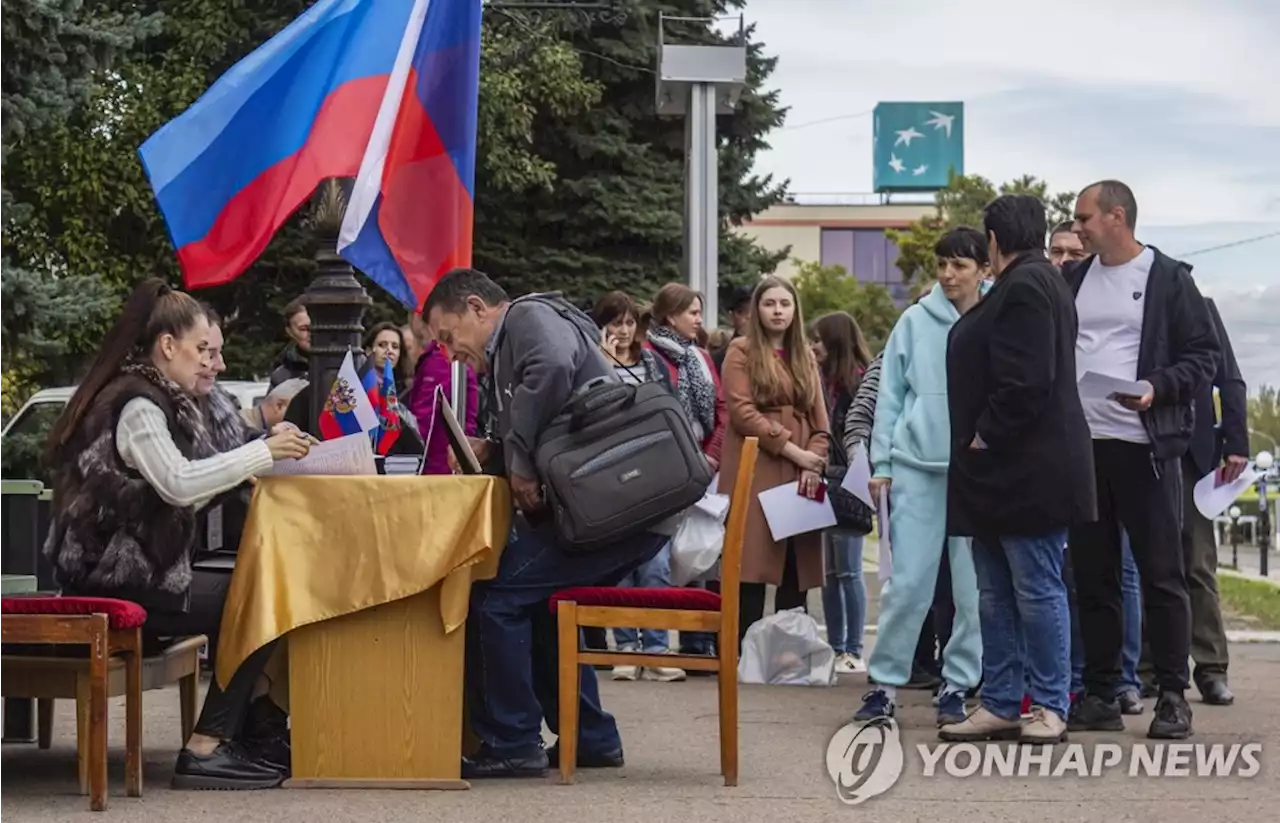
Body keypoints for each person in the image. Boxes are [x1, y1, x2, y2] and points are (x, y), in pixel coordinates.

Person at [42, 279, 314, 789]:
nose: (214, 361)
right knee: (254, 594)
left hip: (141, 570)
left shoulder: (158, 398)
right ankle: (209, 746)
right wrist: (262, 454)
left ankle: (257, 734)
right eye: (203, 349)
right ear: (168, 346)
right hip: (113, 578)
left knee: (257, 582)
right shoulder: (138, 405)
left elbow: (191, 479)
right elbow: (177, 484)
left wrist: (265, 461)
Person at [422, 268, 666, 779]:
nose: (450, 353)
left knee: (495, 599)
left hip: (619, 506)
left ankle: (511, 741)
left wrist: (518, 459)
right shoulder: (517, 335)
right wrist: (498, 449)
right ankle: (591, 737)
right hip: (618, 503)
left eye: (449, 336)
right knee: (532, 602)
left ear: (476, 307)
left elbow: (554, 367)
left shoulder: (528, 315)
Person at [1063, 180, 1219, 740]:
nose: (1076, 227)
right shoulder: (1074, 279)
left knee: (1162, 574)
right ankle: (1101, 694)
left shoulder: (1169, 278)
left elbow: (1205, 357)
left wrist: (1156, 386)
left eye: (1084, 218)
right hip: (1085, 450)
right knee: (1093, 576)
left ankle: (1173, 695)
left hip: (1146, 450)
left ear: (1116, 216)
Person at [939, 194, 1097, 745]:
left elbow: (1027, 380)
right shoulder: (1028, 282)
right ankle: (1003, 701)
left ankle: (1049, 703)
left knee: (1036, 588)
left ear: (994, 240)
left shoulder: (1029, 285)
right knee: (995, 591)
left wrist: (985, 434)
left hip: (1025, 468)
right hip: (999, 476)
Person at [856, 227, 987, 728]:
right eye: (943, 264)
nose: (949, 274)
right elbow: (889, 395)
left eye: (960, 265)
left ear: (984, 268)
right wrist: (882, 464)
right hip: (916, 468)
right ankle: (884, 685)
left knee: (973, 592)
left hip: (975, 473)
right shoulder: (912, 320)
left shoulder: (995, 318)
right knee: (907, 584)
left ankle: (956, 684)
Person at [718, 276, 829, 643]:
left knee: (798, 562)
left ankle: (787, 653)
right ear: (757, 310)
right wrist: (793, 450)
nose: (778, 311)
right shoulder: (741, 349)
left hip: (803, 471)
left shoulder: (806, 356)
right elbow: (742, 412)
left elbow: (820, 422)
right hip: (758, 463)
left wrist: (813, 460)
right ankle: (740, 651)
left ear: (795, 310)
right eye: (769, 304)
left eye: (785, 303)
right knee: (751, 561)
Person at [588, 291, 685, 682]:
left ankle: (657, 648)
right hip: (612, 471)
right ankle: (626, 645)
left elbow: (667, 410)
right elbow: (593, 407)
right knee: (622, 564)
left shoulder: (653, 364)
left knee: (656, 563)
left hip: (651, 470)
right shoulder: (593, 362)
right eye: (615, 322)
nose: (624, 331)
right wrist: (603, 362)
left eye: (629, 322)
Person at [1179, 297, 1248, 706]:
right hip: (1132, 449)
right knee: (1137, 564)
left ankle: (1211, 667)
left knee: (1197, 563)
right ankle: (1148, 668)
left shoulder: (1196, 305)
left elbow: (1230, 379)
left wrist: (1236, 443)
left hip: (1194, 454)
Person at [811, 311, 873, 674]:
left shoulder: (857, 383)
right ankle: (836, 647)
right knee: (830, 571)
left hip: (850, 481)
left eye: (819, 339)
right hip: (826, 479)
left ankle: (853, 647)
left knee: (849, 568)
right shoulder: (821, 381)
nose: (813, 346)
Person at [408, 312, 479, 474]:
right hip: (447, 460)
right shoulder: (436, 356)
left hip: (439, 465)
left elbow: (426, 416)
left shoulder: (440, 358)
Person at [268, 297, 310, 389]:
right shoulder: (281, 376)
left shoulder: (346, 365)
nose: (312, 333)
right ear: (289, 331)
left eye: (317, 326)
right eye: (304, 329)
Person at [711, 284, 754, 372]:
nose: (749, 316)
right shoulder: (719, 359)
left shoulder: (777, 353)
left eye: (754, 310)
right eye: (741, 311)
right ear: (731, 316)